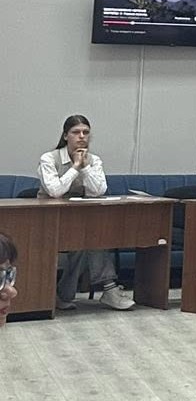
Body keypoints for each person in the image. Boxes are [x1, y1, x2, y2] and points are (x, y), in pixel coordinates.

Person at [36, 115, 133, 312]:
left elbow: (98, 191)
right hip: (49, 221)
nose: (81, 136)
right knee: (86, 238)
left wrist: (86, 167)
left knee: (91, 237)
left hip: (79, 222)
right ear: (65, 136)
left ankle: (100, 291)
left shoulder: (94, 160)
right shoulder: (49, 158)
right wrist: (75, 167)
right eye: (76, 132)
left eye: (86, 132)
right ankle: (100, 290)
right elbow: (55, 191)